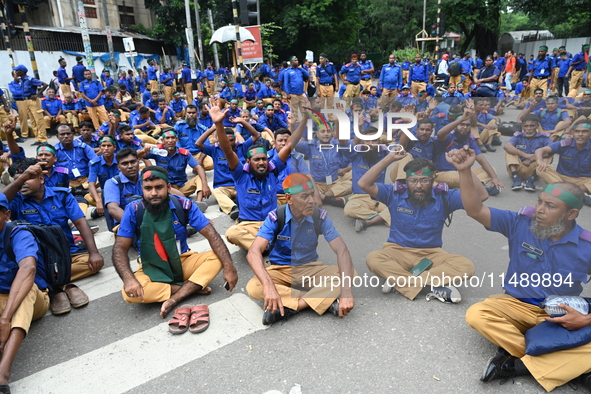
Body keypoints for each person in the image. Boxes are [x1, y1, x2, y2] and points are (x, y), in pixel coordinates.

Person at [450, 146, 591, 392]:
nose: (539, 209)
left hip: (561, 312)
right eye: (539, 201)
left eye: (550, 206)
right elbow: (475, 210)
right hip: (515, 305)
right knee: (477, 314)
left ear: (571, 214)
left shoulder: (587, 246)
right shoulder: (520, 223)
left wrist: (585, 319)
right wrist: (465, 171)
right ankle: (565, 364)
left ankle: (518, 363)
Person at [112, 165, 238, 320]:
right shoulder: (133, 210)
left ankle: (174, 297)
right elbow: (119, 248)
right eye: (148, 188)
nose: (154, 193)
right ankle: (189, 288)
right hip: (151, 266)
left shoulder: (184, 205)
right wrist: (129, 279)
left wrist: (230, 267)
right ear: (141, 189)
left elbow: (212, 235)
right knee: (129, 293)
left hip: (182, 260)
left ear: (169, 187)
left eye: (159, 187)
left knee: (218, 257)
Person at [361, 155, 486, 302]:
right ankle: (433, 286)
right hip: (397, 251)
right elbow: (364, 184)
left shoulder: (445, 197)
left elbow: (482, 196)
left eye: (424, 180)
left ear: (433, 180)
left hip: (432, 253)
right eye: (413, 180)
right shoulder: (394, 194)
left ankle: (399, 280)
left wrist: (465, 168)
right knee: (374, 259)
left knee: (466, 266)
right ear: (406, 181)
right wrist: (389, 159)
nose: (418, 185)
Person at [245, 173, 355, 325]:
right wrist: (269, 286)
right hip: (281, 269)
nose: (312, 201)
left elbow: (342, 250)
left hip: (309, 269)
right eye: (305, 197)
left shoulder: (320, 216)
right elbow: (253, 252)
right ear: (289, 199)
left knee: (351, 273)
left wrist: (347, 293)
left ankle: (291, 307)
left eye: (312, 195)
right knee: (254, 287)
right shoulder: (276, 217)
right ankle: (321, 300)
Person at [4, 159, 104, 315]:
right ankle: (61, 287)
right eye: (18, 180)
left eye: (28, 178)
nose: (22, 183)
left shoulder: (61, 195)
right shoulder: (15, 201)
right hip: (37, 260)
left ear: (41, 178)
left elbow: (81, 223)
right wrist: (23, 177)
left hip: (66, 253)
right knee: (25, 272)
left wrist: (94, 253)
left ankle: (54, 284)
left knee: (90, 264)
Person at [209, 96, 307, 251]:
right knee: (232, 233)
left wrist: (305, 118)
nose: (262, 162)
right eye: (257, 160)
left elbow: (290, 144)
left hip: (272, 221)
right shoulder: (240, 174)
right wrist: (218, 124)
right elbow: (227, 150)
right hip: (249, 224)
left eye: (264, 159)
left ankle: (263, 244)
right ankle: (268, 245)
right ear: (248, 162)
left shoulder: (272, 170)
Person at [0, 193, 51, 394]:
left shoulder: (19, 234)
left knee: (26, 287)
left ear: (7, 215)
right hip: (3, 297)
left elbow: (28, 269)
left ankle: (3, 371)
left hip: (34, 297)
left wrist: (4, 320)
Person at [196, 118, 260, 217]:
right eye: (226, 140)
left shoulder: (241, 148)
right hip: (223, 187)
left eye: (232, 140)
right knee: (217, 192)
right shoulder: (215, 150)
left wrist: (242, 121)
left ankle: (243, 205)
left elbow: (256, 135)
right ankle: (233, 209)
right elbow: (198, 143)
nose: (229, 143)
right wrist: (213, 128)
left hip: (241, 184)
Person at [434, 108, 504, 195]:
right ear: (456, 126)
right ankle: (479, 188)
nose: (465, 127)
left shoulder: (469, 140)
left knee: (491, 170)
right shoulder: (448, 137)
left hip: (461, 172)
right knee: (456, 176)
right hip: (443, 174)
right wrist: (462, 119)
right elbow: (440, 133)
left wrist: (495, 178)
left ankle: (479, 186)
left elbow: (482, 160)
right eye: (462, 124)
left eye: (467, 125)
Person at [144, 130, 209, 210]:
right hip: (167, 188)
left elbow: (198, 167)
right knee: (163, 187)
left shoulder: (184, 153)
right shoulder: (157, 151)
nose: (170, 140)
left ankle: (198, 203)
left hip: (182, 186)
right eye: (167, 138)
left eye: (173, 138)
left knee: (200, 177)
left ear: (177, 139)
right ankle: (191, 204)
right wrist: (144, 150)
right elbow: (138, 155)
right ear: (162, 140)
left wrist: (205, 184)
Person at [534, 119, 591, 206]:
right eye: (577, 131)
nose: (580, 134)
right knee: (540, 169)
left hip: (584, 180)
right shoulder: (564, 143)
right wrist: (540, 161)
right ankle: (576, 195)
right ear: (572, 133)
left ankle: (564, 193)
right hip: (562, 179)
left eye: (585, 131)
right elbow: (540, 150)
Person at [504, 114, 552, 192]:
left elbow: (551, 150)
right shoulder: (518, 136)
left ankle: (531, 179)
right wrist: (526, 155)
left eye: (532, 126)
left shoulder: (544, 138)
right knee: (509, 151)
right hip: (518, 167)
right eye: (526, 126)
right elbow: (507, 146)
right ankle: (516, 178)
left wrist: (532, 158)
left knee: (549, 155)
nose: (528, 129)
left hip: (535, 169)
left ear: (537, 126)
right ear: (522, 127)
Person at [11, 65, 47, 144]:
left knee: (39, 120)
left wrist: (37, 95)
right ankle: (38, 138)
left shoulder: (30, 79)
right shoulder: (22, 80)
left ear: (22, 71)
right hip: (26, 101)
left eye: (17, 70)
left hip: (33, 101)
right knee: (33, 121)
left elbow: (45, 85)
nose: (16, 72)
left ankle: (43, 139)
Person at [87, 136, 119, 220]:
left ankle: (104, 211)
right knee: (88, 197)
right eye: (103, 146)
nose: (106, 148)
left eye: (109, 146)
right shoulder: (94, 163)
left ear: (114, 147)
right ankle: (106, 209)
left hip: (121, 192)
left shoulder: (121, 160)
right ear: (100, 147)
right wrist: (98, 201)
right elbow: (91, 184)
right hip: (105, 194)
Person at [283, 56, 309, 122]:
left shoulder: (299, 69)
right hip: (293, 93)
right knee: (295, 110)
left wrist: (301, 68)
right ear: (291, 62)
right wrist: (287, 93)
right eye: (295, 60)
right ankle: (297, 122)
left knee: (303, 108)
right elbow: (286, 83)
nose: (297, 61)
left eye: (297, 60)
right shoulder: (288, 71)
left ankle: (304, 122)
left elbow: (307, 74)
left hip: (301, 92)